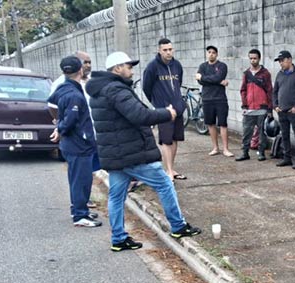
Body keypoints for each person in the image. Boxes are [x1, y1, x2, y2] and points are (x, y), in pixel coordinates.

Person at [86, 51, 202, 252]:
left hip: (116, 154)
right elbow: (139, 114)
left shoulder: (100, 90)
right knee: (165, 183)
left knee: (116, 196)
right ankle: (178, 226)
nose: (131, 70)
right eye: (128, 67)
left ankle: (119, 239)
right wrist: (167, 113)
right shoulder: (116, 89)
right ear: (117, 69)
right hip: (131, 153)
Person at [48, 55, 101, 227]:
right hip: (79, 144)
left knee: (76, 178)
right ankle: (80, 215)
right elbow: (71, 118)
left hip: (72, 143)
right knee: (81, 179)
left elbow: (52, 104)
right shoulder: (74, 95)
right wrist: (61, 129)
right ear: (79, 70)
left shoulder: (63, 88)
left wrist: (58, 127)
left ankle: (79, 209)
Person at [143, 38, 187, 181]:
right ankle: (167, 171)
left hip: (177, 108)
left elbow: (178, 82)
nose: (168, 52)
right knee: (166, 140)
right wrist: (158, 104)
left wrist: (178, 102)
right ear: (159, 50)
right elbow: (146, 87)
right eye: (165, 50)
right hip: (164, 111)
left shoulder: (177, 65)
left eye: (170, 49)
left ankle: (171, 169)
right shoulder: (152, 67)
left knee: (175, 139)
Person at [272, 50, 295, 169]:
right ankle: (286, 158)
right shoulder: (279, 74)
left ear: (289, 60)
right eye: (279, 61)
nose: (280, 63)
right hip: (282, 111)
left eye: (282, 61)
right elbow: (275, 92)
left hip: (293, 112)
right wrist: (275, 105)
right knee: (285, 135)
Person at [196, 45, 234, 157]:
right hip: (207, 99)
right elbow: (201, 82)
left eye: (213, 52)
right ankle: (215, 148)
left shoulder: (222, 66)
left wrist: (203, 78)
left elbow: (216, 77)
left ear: (217, 54)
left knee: (223, 123)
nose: (211, 54)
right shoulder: (202, 66)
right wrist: (217, 81)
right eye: (209, 52)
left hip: (220, 99)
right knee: (210, 124)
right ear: (207, 54)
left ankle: (226, 149)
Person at [237, 48, 273, 161]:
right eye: (251, 58)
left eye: (255, 58)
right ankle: (245, 152)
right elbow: (243, 90)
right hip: (249, 109)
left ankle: (261, 152)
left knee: (262, 133)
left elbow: (270, 91)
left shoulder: (265, 74)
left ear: (259, 59)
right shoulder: (246, 74)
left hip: (262, 108)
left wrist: (270, 108)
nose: (253, 60)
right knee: (246, 132)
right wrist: (244, 104)